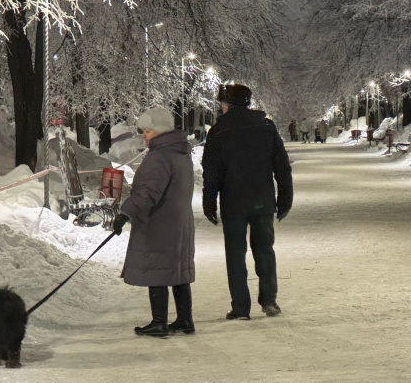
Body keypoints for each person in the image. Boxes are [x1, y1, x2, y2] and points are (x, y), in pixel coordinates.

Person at [202, 84, 293, 320]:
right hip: (263, 201)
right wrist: (285, 199)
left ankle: (241, 307)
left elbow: (211, 173)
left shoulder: (218, 132)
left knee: (235, 254)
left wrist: (209, 202)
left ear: (227, 105)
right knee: (264, 250)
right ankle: (270, 301)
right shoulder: (266, 127)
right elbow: (282, 167)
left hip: (233, 203)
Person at [111, 107, 196, 337]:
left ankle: (160, 322)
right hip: (179, 219)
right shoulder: (180, 151)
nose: (145, 135)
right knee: (177, 270)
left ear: (159, 131)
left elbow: (148, 192)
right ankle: (185, 319)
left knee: (157, 268)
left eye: (148, 131)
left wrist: (125, 213)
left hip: (160, 221)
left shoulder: (160, 156)